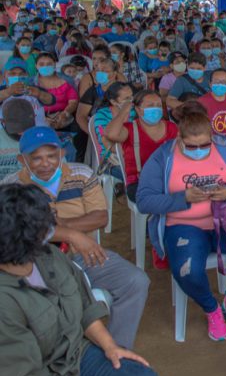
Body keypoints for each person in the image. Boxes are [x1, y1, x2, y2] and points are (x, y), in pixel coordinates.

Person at [0, 183, 167, 376]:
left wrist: (110, 346)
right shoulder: (4, 300)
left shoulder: (49, 256)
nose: (53, 225)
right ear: (28, 236)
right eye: (46, 221)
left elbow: (84, 305)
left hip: (72, 359)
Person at [2, 126, 150, 348]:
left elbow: (100, 217)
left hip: (85, 255)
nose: (46, 163)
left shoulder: (81, 174)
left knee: (136, 281)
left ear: (62, 153)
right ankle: (57, 356)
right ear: (22, 160)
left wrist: (57, 226)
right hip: (34, 263)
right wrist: (71, 234)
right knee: (40, 301)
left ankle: (117, 349)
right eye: (36, 158)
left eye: (52, 156)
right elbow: (15, 232)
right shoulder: (11, 187)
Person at [136, 107, 226, 342]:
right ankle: (211, 308)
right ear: (179, 138)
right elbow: (144, 201)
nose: (199, 151)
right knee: (188, 271)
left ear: (212, 137)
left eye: (204, 145)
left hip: (225, 220)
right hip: (183, 225)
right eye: (191, 146)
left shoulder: (225, 149)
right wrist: (182, 197)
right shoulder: (163, 157)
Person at [104, 89, 178, 202]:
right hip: (139, 183)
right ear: (138, 109)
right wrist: (123, 111)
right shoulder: (130, 129)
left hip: (168, 178)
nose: (156, 108)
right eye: (150, 105)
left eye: (159, 105)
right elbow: (110, 134)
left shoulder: (171, 127)